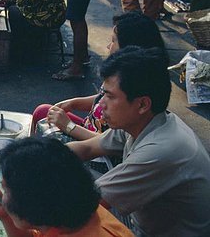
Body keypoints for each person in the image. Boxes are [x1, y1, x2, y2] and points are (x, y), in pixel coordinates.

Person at [68, 47, 210, 237]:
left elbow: (85, 204)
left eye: (109, 96)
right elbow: (87, 148)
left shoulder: (161, 151)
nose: (100, 104)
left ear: (142, 104)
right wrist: (36, 159)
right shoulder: (142, 122)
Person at [33, 11, 167, 139]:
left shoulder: (133, 94)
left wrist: (69, 126)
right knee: (43, 112)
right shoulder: (121, 72)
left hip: (96, 148)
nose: (108, 46)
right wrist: (73, 103)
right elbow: (101, 97)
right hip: (87, 129)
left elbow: (107, 144)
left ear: (129, 47)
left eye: (113, 41)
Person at [0, 138, 134, 237]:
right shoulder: (73, 211)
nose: (2, 194)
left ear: (33, 207)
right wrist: (7, 215)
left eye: (6, 190)